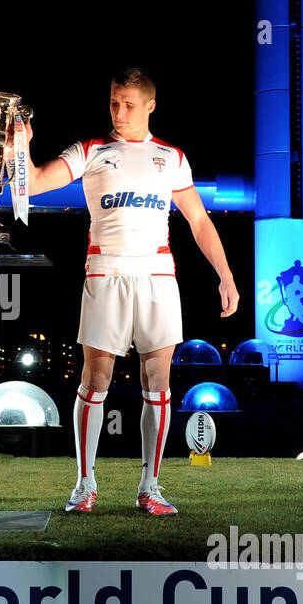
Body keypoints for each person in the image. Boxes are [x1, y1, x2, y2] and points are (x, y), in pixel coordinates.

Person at [22, 67, 239, 515]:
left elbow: (198, 220)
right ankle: (85, 484)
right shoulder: (92, 151)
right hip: (106, 273)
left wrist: (226, 274)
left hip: (159, 276)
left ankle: (150, 487)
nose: (119, 112)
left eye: (128, 104)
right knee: (95, 380)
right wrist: (21, 147)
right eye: (113, 103)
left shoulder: (172, 157)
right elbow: (36, 181)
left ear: (150, 105)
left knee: (157, 382)